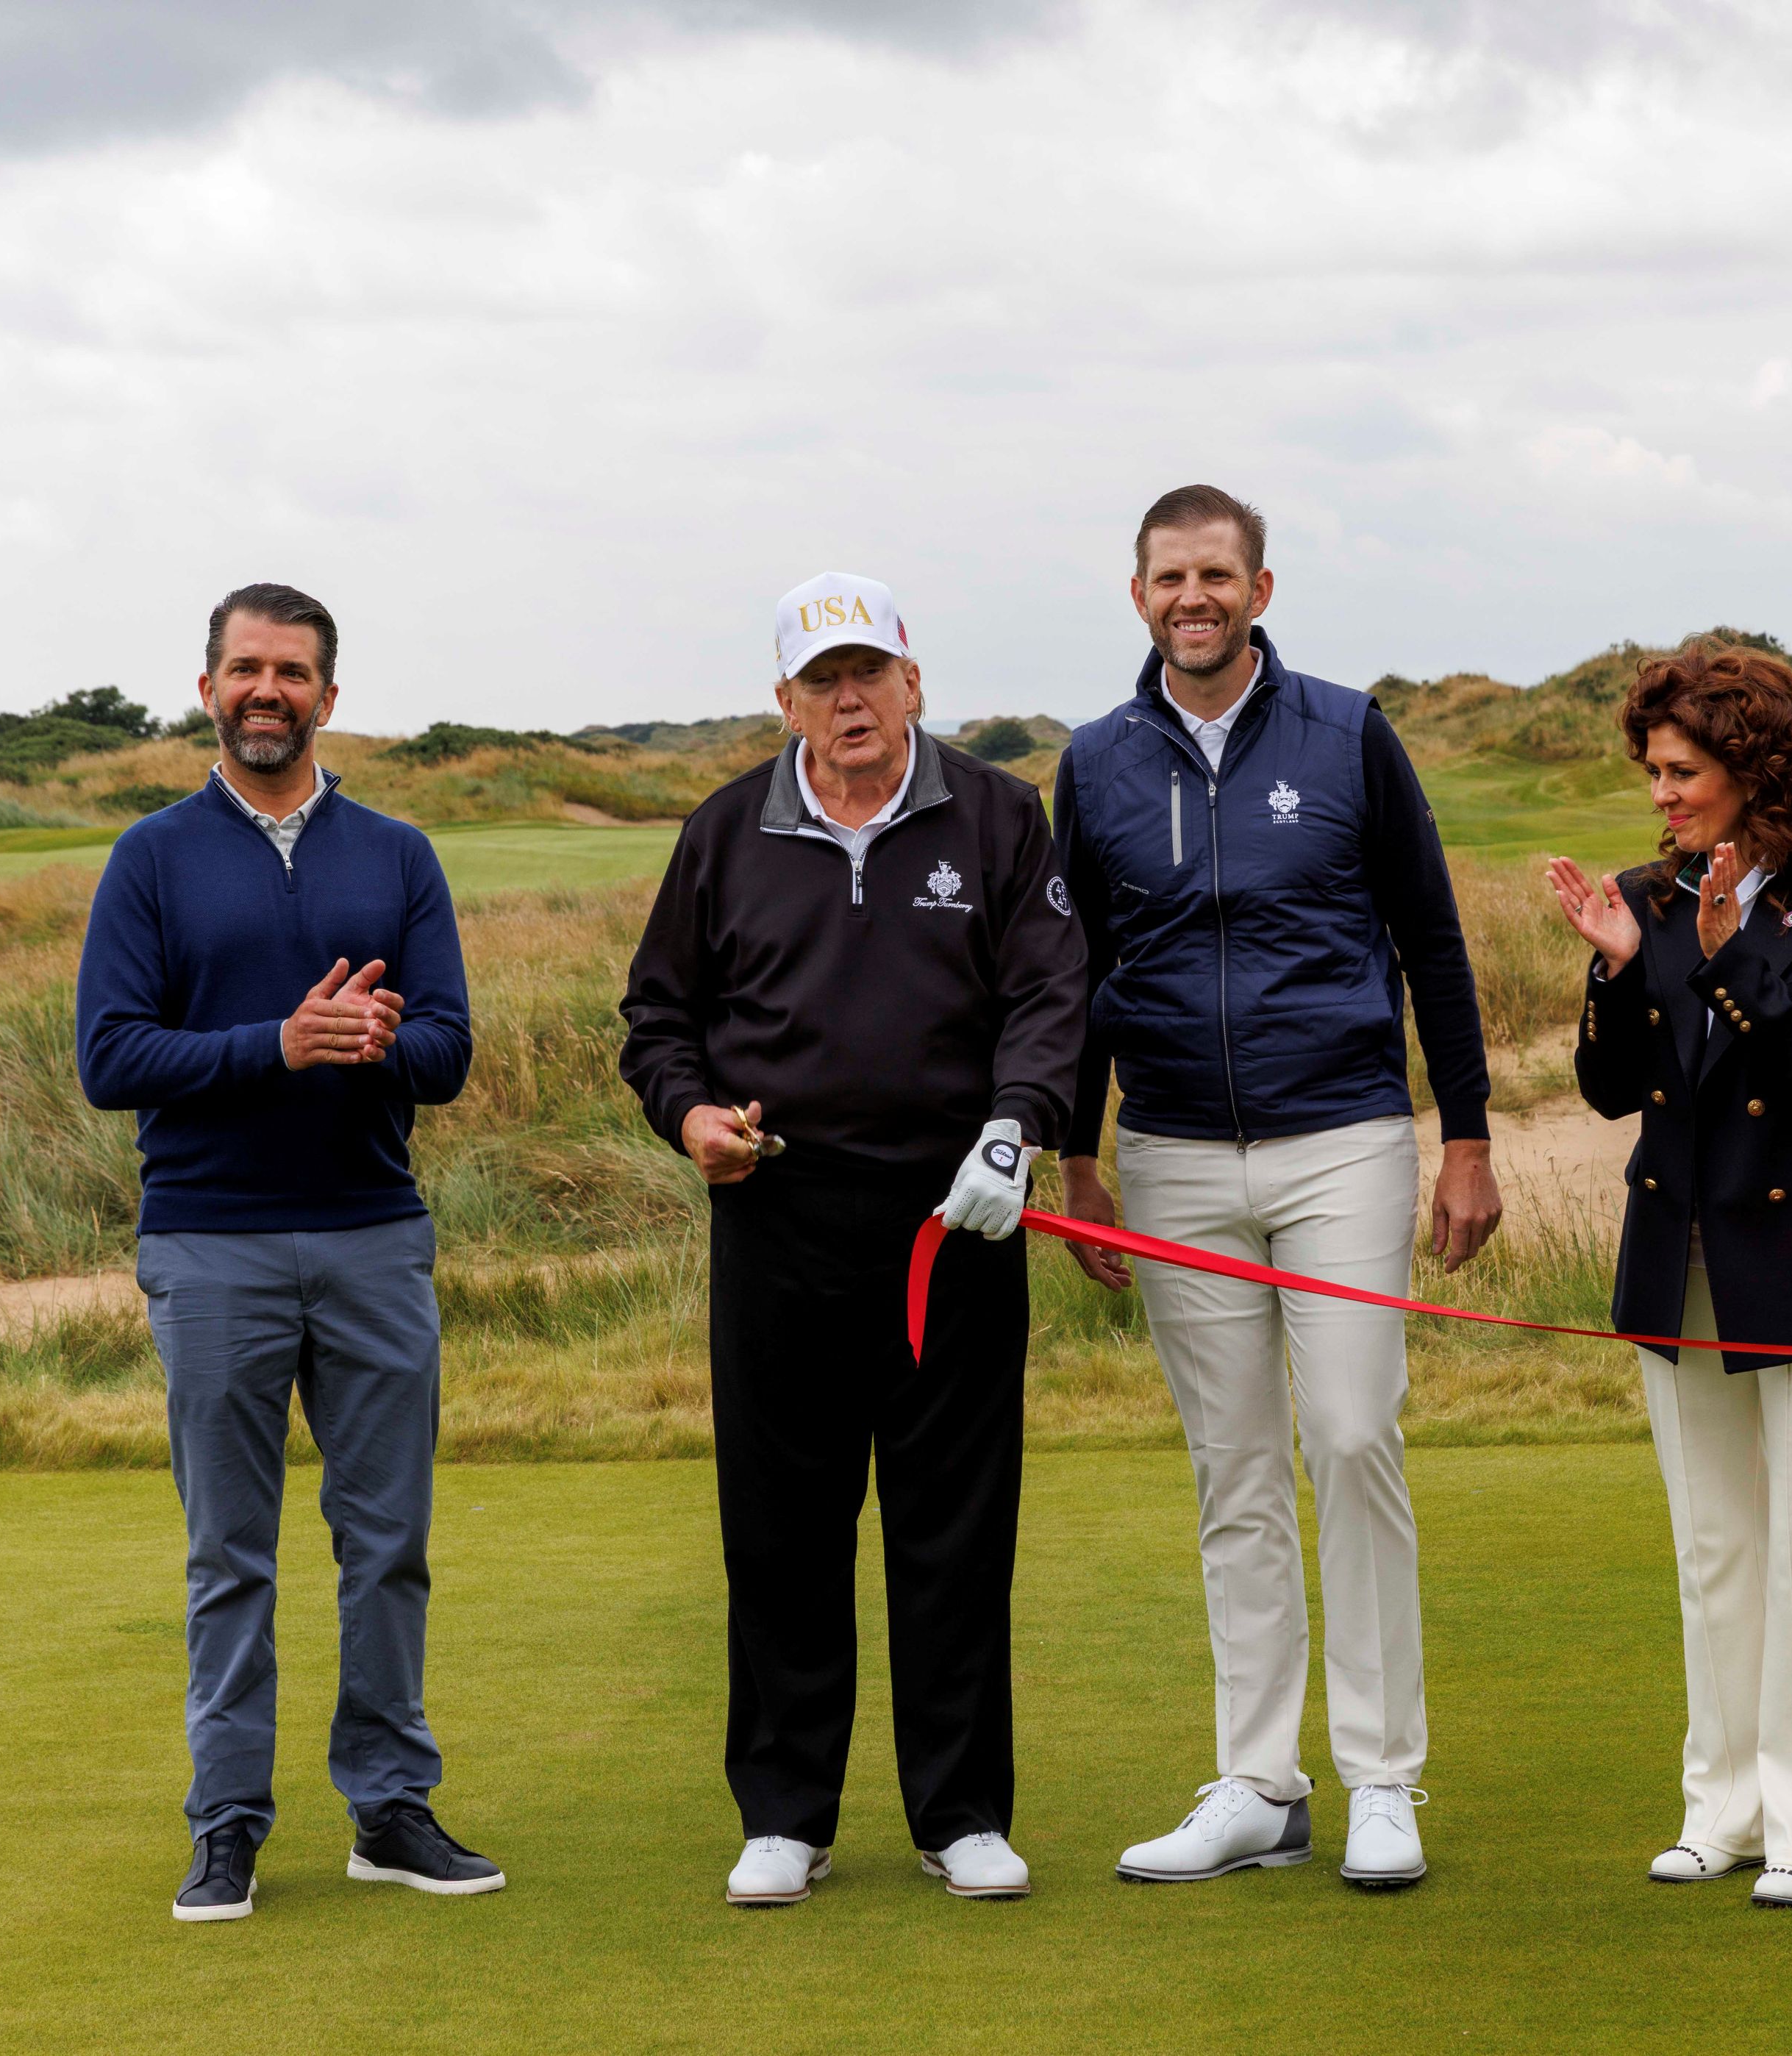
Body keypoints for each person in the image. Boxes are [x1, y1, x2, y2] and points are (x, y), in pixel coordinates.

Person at [1052, 485, 1504, 1891]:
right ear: (1139, 594)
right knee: (1234, 1471)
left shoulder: (1347, 732)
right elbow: (1073, 978)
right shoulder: (1096, 762)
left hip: (1343, 1139)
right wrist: (1081, 1148)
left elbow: (1429, 936)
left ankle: (1382, 1776)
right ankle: (1259, 1779)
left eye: (1217, 576)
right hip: (1173, 1152)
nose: (1194, 598)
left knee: (1356, 1437)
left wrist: (1470, 1134)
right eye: (1169, 577)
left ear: (1260, 588)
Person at [618, 571, 1086, 1908]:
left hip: (959, 1219)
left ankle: (961, 1815)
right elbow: (659, 1021)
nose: (850, 699)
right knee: (781, 1526)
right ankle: (786, 1813)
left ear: (913, 680)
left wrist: (1018, 1125)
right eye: (822, 680)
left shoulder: (997, 815)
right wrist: (691, 1116)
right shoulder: (722, 834)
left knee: (955, 1524)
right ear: (785, 702)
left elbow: (1052, 994)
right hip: (778, 1220)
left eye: (869, 672)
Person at [76, 582, 499, 1924]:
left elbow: (448, 1052)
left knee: (386, 1543)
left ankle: (388, 1809)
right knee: (231, 1555)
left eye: (295, 672)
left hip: (374, 1236)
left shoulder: (397, 853)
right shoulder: (151, 857)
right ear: (208, 687)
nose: (271, 692)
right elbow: (110, 1057)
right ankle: (228, 1823)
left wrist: (376, 1043)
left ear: (330, 693)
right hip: (211, 1248)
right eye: (247, 670)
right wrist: (276, 1044)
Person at [1543, 638, 1792, 1910]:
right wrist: (1616, 971)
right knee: (1717, 1548)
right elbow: (1611, 1093)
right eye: (1653, 772)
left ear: (1752, 769)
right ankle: (1723, 1809)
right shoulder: (1641, 900)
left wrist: (1728, 957)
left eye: (1683, 771)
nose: (1661, 795)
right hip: (1682, 1259)